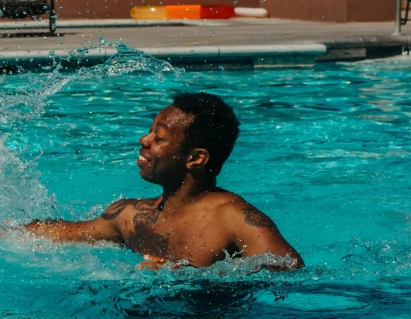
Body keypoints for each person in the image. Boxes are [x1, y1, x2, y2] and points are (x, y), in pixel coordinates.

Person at [23, 92, 303, 271]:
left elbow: (291, 269)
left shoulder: (232, 217)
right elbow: (69, 232)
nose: (143, 141)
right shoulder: (131, 215)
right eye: (149, 132)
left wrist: (200, 277)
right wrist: (3, 234)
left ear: (195, 158)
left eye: (159, 138)